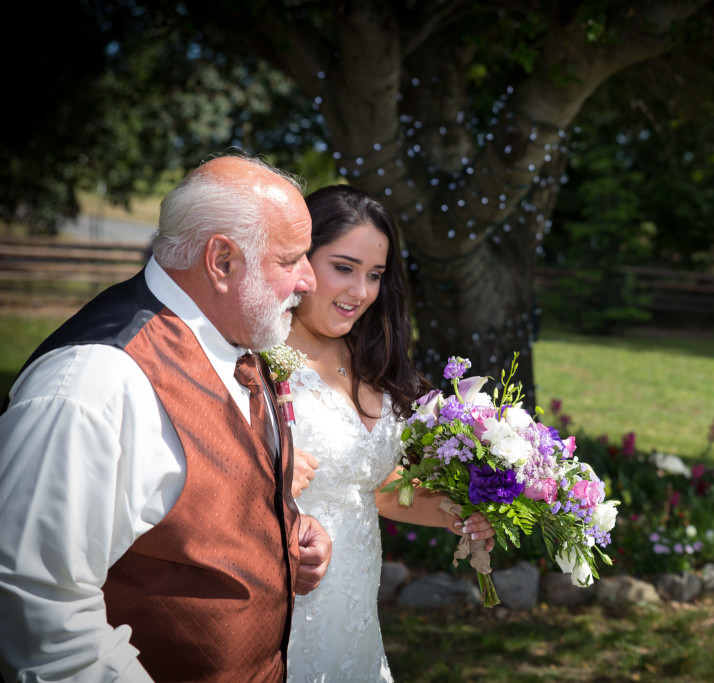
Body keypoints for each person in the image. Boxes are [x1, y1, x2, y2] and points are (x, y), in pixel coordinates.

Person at [0, 154, 332, 682]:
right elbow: (42, 614)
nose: (309, 281)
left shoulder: (240, 341)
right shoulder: (94, 384)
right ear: (221, 261)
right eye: (290, 259)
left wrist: (284, 532)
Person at [283, 184, 494, 682]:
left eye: (375, 275)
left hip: (356, 611)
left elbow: (376, 487)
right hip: (288, 599)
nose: (360, 292)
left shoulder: (370, 359)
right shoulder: (259, 359)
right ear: (300, 260)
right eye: (344, 267)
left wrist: (459, 513)